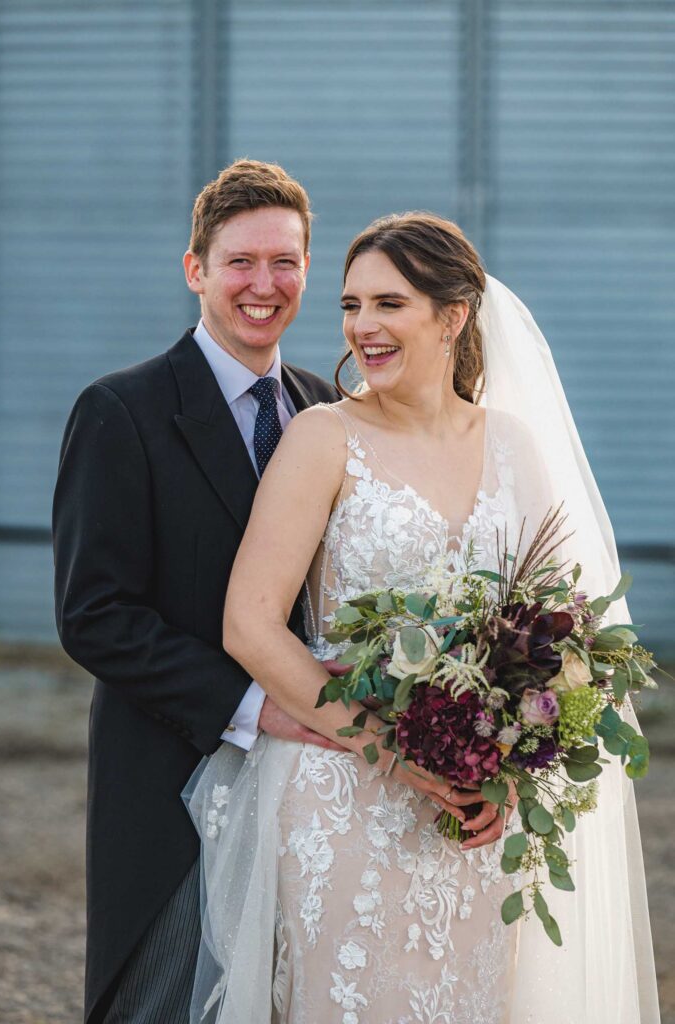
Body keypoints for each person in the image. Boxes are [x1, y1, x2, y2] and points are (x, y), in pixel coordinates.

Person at [188, 212, 661, 1022]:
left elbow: (552, 632)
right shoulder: (322, 436)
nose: (362, 327)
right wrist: (383, 748)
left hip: (470, 813)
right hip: (343, 797)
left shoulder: (515, 445)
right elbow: (251, 624)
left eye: (389, 304)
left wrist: (509, 774)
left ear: (453, 316)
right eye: (351, 305)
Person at [52, 159, 340, 1024]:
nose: (264, 284)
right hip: (174, 777)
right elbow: (93, 614)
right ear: (195, 270)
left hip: (318, 791)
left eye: (284, 261)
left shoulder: (329, 411)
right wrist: (256, 705)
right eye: (240, 262)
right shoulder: (120, 410)